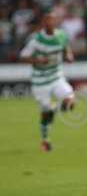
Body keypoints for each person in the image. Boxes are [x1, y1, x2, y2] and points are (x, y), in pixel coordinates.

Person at [20, 11, 75, 152]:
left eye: (52, 20)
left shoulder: (61, 35)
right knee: (46, 112)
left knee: (70, 100)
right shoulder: (36, 39)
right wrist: (38, 60)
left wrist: (68, 55)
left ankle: (59, 107)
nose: (50, 23)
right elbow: (23, 56)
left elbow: (66, 47)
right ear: (43, 23)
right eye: (47, 20)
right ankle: (45, 140)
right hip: (40, 81)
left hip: (56, 76)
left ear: (55, 21)